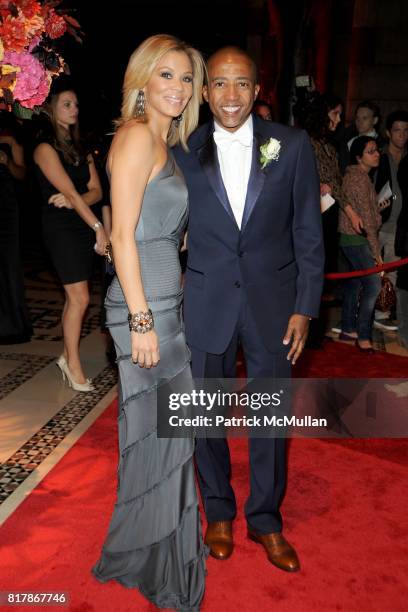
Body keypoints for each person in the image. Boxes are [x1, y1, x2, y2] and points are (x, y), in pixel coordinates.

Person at [174, 47, 324, 572]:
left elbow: (308, 231)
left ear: (257, 90)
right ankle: (218, 509)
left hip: (274, 307)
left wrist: (306, 306)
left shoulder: (292, 146)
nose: (230, 96)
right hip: (207, 303)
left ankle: (265, 519)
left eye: (241, 84)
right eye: (219, 84)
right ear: (205, 90)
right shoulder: (183, 149)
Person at [92, 35, 207, 610]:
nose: (178, 88)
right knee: (170, 434)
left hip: (161, 300)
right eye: (166, 76)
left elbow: (133, 224)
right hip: (147, 310)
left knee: (157, 435)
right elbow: (121, 235)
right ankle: (164, 561)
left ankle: (148, 549)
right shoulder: (138, 136)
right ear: (142, 81)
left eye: (186, 79)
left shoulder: (162, 142)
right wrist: (140, 318)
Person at [33, 79, 108, 391]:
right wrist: (99, 227)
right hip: (61, 228)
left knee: (73, 297)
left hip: (79, 221)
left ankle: (67, 355)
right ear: (51, 108)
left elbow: (96, 191)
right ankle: (72, 365)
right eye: (66, 104)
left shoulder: (81, 147)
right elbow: (78, 195)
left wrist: (75, 198)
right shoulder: (43, 148)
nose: (74, 109)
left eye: (75, 104)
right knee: (80, 297)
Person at [338, 136, 383, 353]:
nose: (376, 154)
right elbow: (367, 223)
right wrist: (377, 254)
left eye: (376, 150)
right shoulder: (359, 179)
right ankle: (363, 335)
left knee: (354, 284)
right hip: (357, 240)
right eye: (370, 151)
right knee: (374, 285)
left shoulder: (359, 177)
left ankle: (348, 328)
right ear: (358, 157)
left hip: (351, 239)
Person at [374, 110, 408, 331]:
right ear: (388, 132)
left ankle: (384, 311)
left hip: (400, 225)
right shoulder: (378, 155)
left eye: (406, 131)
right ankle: (371, 311)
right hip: (379, 222)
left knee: (393, 270)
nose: (402, 135)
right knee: (374, 269)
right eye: (397, 130)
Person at [0, 113, 32, 344]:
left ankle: (12, 325)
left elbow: (21, 173)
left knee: (9, 265)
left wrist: (6, 161)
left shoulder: (10, 133)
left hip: (6, 208)